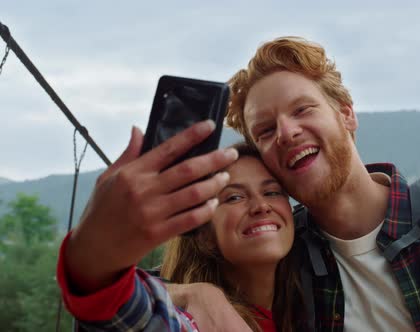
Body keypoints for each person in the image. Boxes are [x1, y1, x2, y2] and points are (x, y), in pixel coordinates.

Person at [176, 36, 420, 331]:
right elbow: (143, 286)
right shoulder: (284, 254)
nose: (286, 132)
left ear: (347, 114)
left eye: (302, 109)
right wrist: (193, 294)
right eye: (264, 130)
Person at [56, 121, 304, 331]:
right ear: (205, 235)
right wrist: (92, 257)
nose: (261, 206)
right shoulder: (195, 320)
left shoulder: (317, 294)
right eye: (234, 197)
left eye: (272, 192)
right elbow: (125, 308)